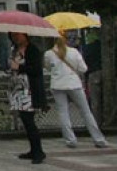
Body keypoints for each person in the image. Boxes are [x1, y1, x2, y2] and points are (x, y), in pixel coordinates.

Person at [45, 36, 109, 148]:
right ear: (66, 40)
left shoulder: (48, 54)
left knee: (63, 112)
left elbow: (48, 67)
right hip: (74, 84)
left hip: (57, 84)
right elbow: (83, 68)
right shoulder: (74, 52)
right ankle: (98, 139)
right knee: (86, 112)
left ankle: (70, 140)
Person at [9, 33, 49, 164]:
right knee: (25, 120)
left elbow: (36, 69)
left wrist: (19, 67)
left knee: (29, 120)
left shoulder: (33, 50)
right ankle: (33, 149)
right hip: (18, 89)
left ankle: (38, 151)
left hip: (29, 90)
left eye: (19, 35)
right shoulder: (14, 50)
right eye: (14, 35)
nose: (16, 37)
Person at [82, 32, 102, 124]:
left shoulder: (87, 48)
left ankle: (96, 122)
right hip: (105, 71)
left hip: (93, 73)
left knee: (95, 100)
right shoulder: (104, 46)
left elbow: (84, 63)